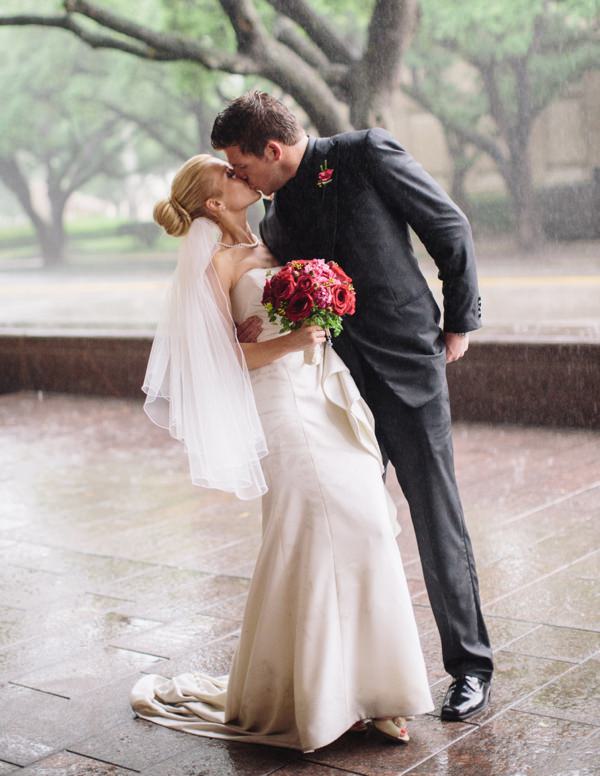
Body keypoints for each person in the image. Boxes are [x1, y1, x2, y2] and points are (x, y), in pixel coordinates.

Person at [129, 153, 435, 753]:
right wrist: (292, 338)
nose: (244, 176)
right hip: (280, 409)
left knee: (368, 524)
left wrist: (325, 307)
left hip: (323, 393)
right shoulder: (215, 266)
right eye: (231, 175)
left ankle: (376, 691)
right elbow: (211, 363)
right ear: (215, 204)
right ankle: (324, 699)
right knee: (312, 535)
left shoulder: (275, 242)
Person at [211, 90, 493, 722]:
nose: (240, 176)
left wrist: (458, 322)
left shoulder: (365, 153)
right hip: (333, 386)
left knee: (434, 511)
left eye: (241, 163)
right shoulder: (273, 220)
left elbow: (449, 227)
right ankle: (353, 679)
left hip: (408, 365)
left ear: (273, 149)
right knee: (350, 521)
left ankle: (471, 668)